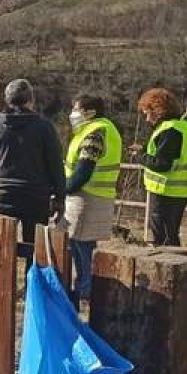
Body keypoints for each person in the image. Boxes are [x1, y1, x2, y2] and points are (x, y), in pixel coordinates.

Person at [0, 79, 66, 244]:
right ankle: (31, 270)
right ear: (31, 100)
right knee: (35, 250)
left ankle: (1, 270)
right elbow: (55, 165)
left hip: (3, 194)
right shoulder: (44, 127)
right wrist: (59, 198)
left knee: (0, 249)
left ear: (7, 100)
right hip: (36, 196)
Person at [62, 94, 122, 303]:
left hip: (88, 199)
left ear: (91, 112)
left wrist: (63, 189)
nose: (73, 114)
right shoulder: (100, 129)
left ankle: (84, 291)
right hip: (93, 197)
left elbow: (83, 170)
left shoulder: (95, 132)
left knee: (83, 248)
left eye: (76, 109)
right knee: (81, 246)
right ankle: (83, 288)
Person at [135, 88, 187, 246]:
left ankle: (166, 267)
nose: (146, 119)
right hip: (184, 189)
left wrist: (140, 157)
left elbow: (162, 164)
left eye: (147, 112)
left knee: (163, 237)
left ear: (157, 111)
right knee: (171, 233)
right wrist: (146, 150)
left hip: (164, 189)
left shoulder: (169, 130)